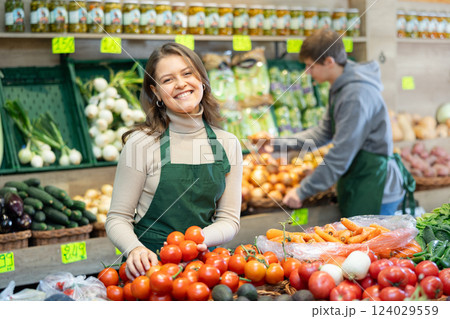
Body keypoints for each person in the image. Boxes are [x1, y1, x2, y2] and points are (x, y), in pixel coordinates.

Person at [105, 43, 243, 280]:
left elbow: (229, 220)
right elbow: (117, 218)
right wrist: (134, 249)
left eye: (187, 73)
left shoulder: (227, 144)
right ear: (156, 92)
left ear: (202, 78)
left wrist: (199, 240)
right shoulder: (141, 143)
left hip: (203, 270)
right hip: (149, 272)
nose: (181, 83)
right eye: (168, 80)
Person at [276, 28, 415, 217]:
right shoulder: (340, 87)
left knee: (372, 245)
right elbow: (322, 133)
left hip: (376, 187)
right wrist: (276, 144)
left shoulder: (355, 95)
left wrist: (303, 190)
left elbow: (340, 154)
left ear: (329, 62)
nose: (307, 73)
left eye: (310, 66)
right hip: (359, 179)